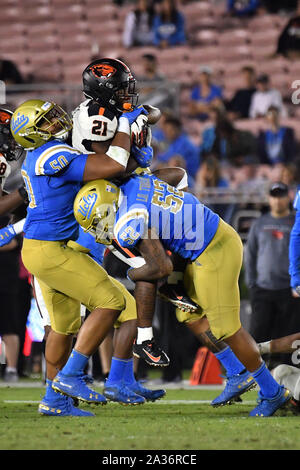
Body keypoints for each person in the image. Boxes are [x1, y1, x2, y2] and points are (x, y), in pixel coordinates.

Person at [75, 172, 292, 417]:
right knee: (188, 314)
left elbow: (160, 268)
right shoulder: (134, 182)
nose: (100, 229)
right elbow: (178, 174)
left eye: (97, 221)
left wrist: (132, 274)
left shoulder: (127, 221)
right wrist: (184, 217)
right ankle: (237, 373)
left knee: (227, 328)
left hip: (213, 249)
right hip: (203, 243)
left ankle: (272, 392)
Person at [9, 97, 149, 416]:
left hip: (42, 248)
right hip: (52, 250)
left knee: (63, 328)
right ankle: (70, 378)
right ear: (32, 134)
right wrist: (125, 124)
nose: (55, 121)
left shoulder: (41, 154)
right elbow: (113, 164)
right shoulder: (51, 154)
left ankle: (54, 400)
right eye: (45, 122)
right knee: (111, 302)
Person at [245, 182, 299, 368]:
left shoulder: (295, 222)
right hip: (263, 289)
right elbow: (250, 254)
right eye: (274, 196)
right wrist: (251, 283)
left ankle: (288, 373)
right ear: (269, 198)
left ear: (288, 197)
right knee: (258, 333)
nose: (277, 200)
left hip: (289, 289)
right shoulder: (259, 224)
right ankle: (254, 374)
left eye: (281, 195)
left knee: (290, 335)